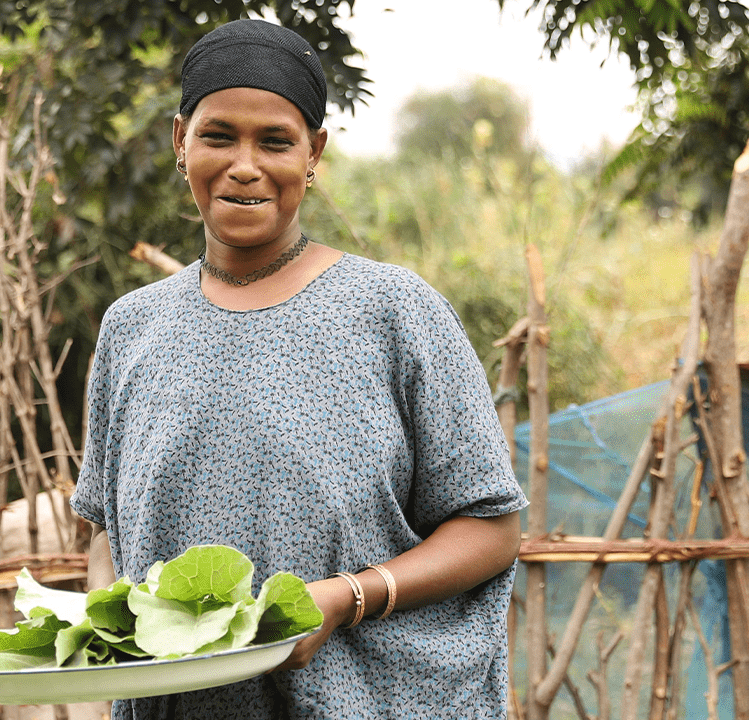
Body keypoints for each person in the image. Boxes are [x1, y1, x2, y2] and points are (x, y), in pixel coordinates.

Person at [71, 18, 528, 719]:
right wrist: (111, 638)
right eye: (218, 135)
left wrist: (344, 599)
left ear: (313, 152)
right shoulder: (134, 327)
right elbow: (107, 530)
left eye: (275, 141)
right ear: (180, 141)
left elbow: (492, 527)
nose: (245, 165)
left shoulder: (394, 311)